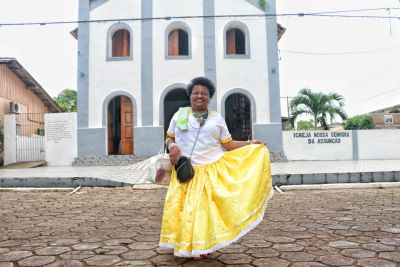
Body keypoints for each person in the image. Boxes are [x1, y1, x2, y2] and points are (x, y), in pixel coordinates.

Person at [159, 77, 273, 259]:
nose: (199, 96)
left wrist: (251, 144)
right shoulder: (180, 115)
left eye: (204, 93)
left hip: (210, 171)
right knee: (186, 211)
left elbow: (228, 144)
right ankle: (187, 245)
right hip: (185, 170)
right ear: (190, 96)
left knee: (204, 212)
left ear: (209, 97)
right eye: (196, 93)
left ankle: (202, 247)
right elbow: (169, 137)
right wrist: (172, 146)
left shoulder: (217, 119)